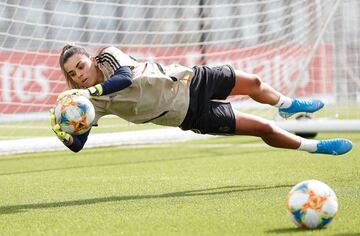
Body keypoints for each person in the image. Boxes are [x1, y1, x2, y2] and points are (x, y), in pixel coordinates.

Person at [50, 44, 352, 155]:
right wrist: (64, 132)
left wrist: (87, 92)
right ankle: (315, 147)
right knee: (263, 129)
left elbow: (125, 79)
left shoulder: (107, 57)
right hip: (188, 114)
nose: (79, 75)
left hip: (190, 78)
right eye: (72, 75)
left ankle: (288, 106)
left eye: (80, 66)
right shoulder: (91, 105)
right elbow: (78, 144)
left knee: (254, 83)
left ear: (90, 60)